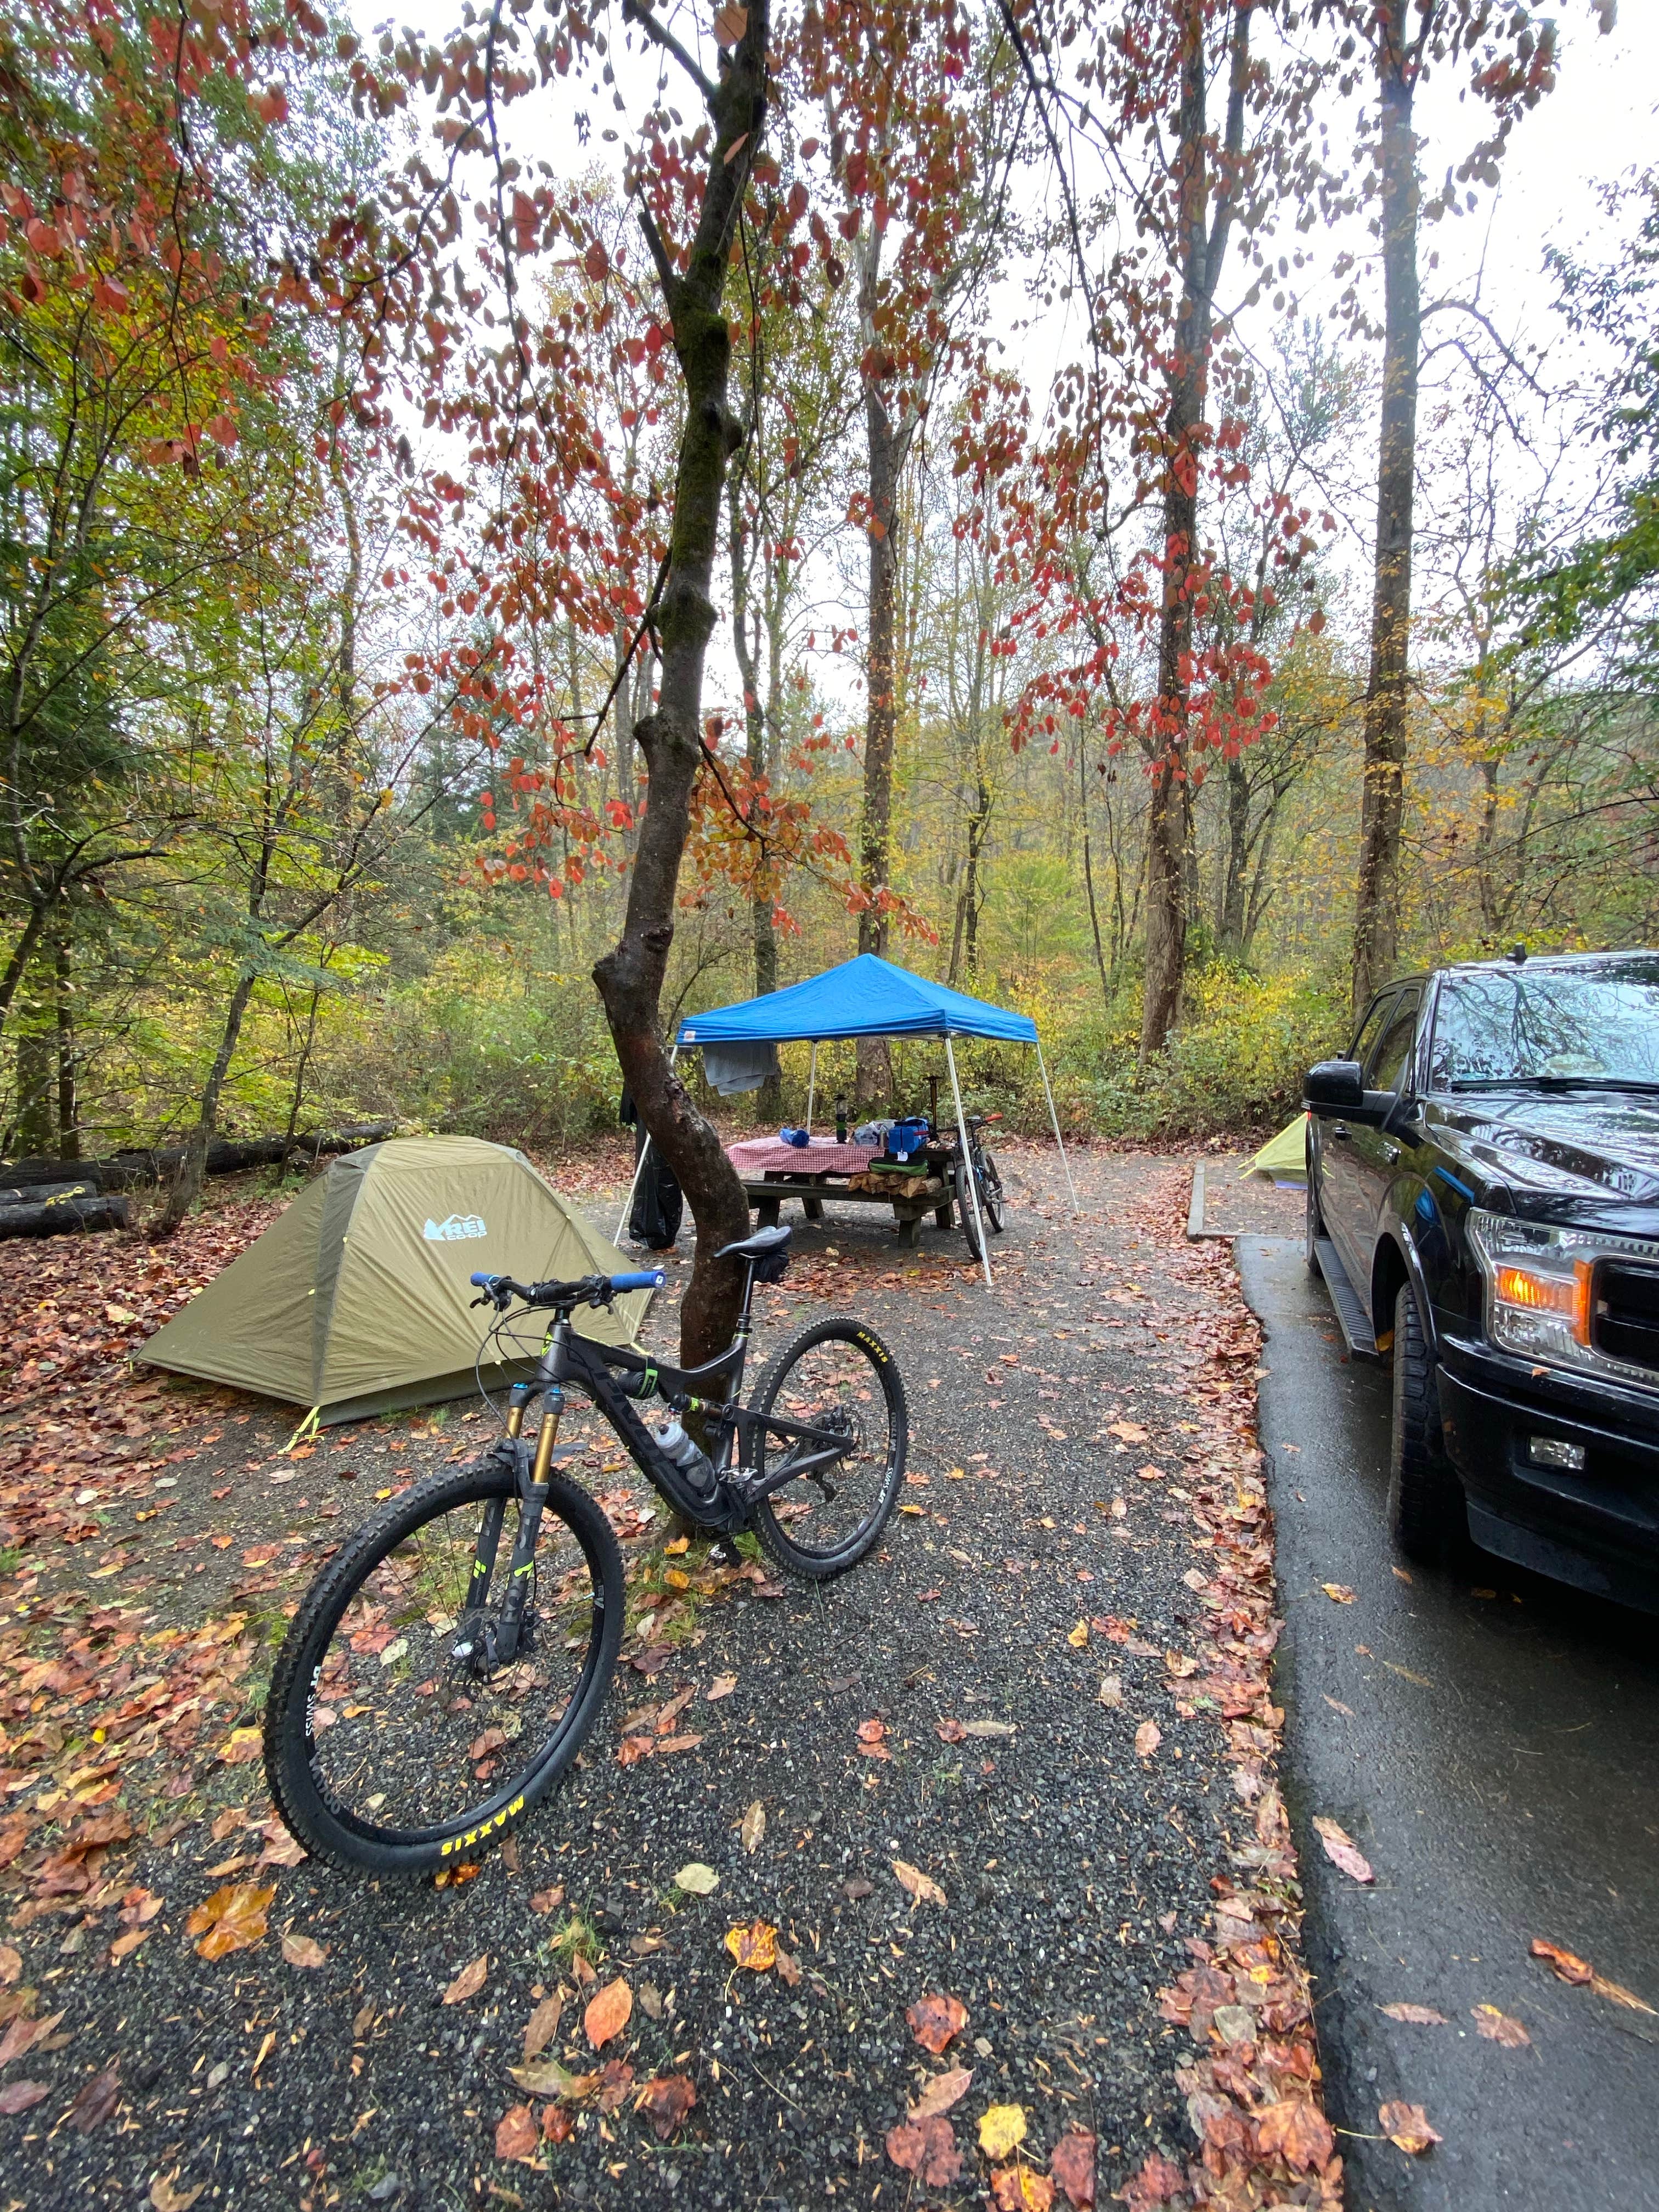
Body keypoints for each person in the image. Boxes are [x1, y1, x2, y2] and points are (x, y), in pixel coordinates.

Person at [618, 1090, 682, 1250]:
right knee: (653, 1179)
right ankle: (656, 1233)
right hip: (649, 1130)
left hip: (659, 1134)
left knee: (664, 1181)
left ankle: (663, 1233)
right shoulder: (641, 1076)